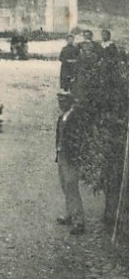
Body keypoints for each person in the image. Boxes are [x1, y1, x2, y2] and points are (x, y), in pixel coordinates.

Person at [55, 91, 85, 235]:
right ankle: (70, 214)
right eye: (59, 101)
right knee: (65, 186)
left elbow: (78, 141)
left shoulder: (74, 119)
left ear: (69, 102)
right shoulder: (62, 118)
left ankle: (79, 222)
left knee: (72, 188)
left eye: (63, 101)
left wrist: (75, 157)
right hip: (62, 156)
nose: (60, 104)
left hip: (71, 158)